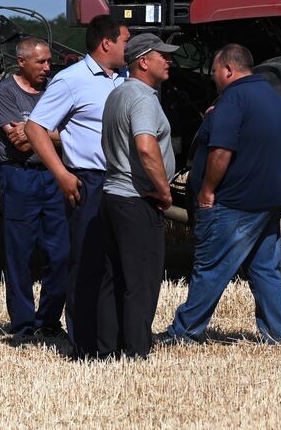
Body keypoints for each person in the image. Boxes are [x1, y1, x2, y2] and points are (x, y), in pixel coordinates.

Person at [166, 43, 281, 344]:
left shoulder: (234, 99)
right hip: (271, 199)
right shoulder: (271, 97)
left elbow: (221, 151)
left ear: (228, 70)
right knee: (264, 268)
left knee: (211, 267)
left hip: (237, 201)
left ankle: (184, 332)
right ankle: (276, 334)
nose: (212, 78)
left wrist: (207, 190)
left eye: (214, 73)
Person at [25, 14, 129, 358]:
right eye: (125, 41)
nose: (128, 48)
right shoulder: (71, 81)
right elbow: (36, 128)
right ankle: (84, 344)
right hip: (89, 181)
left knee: (116, 264)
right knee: (86, 263)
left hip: (122, 182)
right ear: (107, 43)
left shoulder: (124, 79)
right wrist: (61, 174)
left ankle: (110, 340)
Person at [96, 32, 179, 358]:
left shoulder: (117, 94)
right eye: (163, 55)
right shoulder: (144, 98)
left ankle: (106, 350)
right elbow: (146, 147)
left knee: (112, 278)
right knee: (141, 281)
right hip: (137, 199)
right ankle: (136, 351)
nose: (169, 60)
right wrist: (163, 190)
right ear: (144, 61)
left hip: (113, 195)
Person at [0, 36, 68, 339]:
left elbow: (69, 131)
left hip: (54, 175)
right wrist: (50, 132)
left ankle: (49, 320)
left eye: (49, 61)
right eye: (41, 62)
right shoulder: (5, 93)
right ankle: (22, 324)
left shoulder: (53, 91)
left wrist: (35, 131)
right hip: (20, 177)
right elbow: (18, 141)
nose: (47, 68)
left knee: (60, 253)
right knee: (20, 253)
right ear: (21, 61)